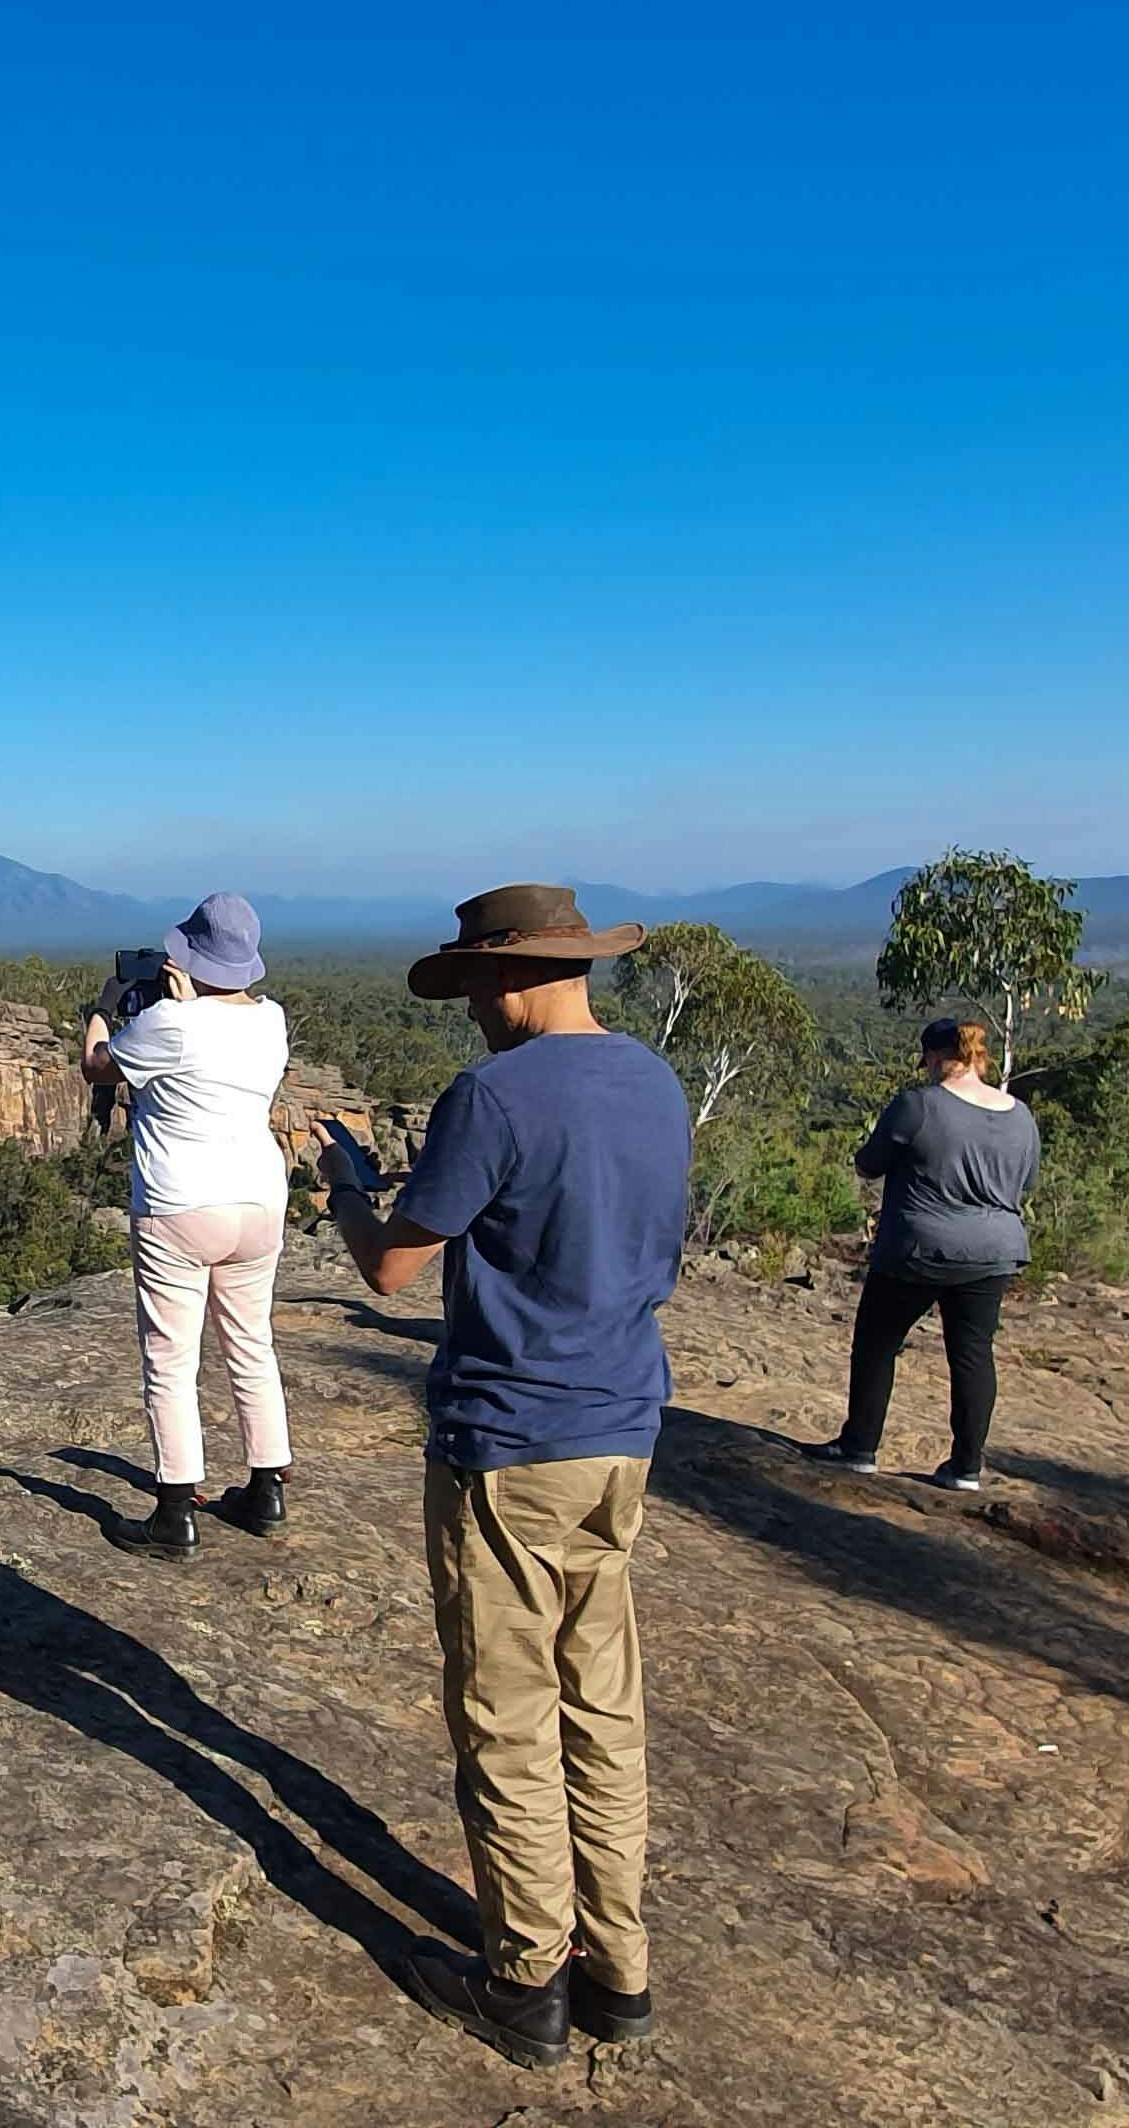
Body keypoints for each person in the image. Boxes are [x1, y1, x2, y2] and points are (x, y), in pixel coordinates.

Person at [318, 883, 685, 2067]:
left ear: (502, 978)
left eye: (472, 985)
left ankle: (524, 1978)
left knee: (507, 1716)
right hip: (622, 1429)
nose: (470, 1009)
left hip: (509, 1443)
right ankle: (617, 1970)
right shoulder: (653, 1081)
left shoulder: (493, 1095)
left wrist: (344, 1197)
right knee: (605, 1707)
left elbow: (393, 1270)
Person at [81, 892, 294, 1559]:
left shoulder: (171, 1023)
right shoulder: (273, 1019)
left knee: (171, 1359)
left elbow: (99, 1065)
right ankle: (266, 1491)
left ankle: (174, 1514)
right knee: (251, 1344)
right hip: (259, 1201)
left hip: (181, 1205)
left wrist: (102, 1008)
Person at [807, 1016, 1044, 1492]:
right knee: (973, 1353)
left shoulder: (918, 1106)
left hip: (919, 1248)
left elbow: (869, 1164)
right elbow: (1027, 1184)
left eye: (929, 1061)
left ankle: (860, 1448)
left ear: (936, 1059)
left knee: (877, 1343)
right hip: (994, 1251)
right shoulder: (1020, 1114)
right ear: (977, 1058)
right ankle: (966, 1468)